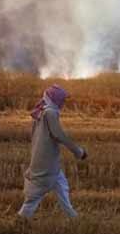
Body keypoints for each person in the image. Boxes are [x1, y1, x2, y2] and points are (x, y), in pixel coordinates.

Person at [17, 85, 87, 219]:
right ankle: (21, 220)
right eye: (62, 100)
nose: (64, 103)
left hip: (46, 161)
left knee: (62, 185)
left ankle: (72, 216)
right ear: (55, 99)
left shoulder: (42, 111)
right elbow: (58, 135)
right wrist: (78, 151)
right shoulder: (50, 112)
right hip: (46, 164)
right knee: (34, 198)